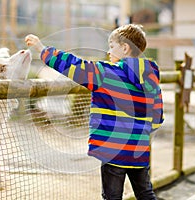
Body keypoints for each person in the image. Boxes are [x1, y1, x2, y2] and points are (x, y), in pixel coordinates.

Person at [25, 24, 164, 200]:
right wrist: (143, 137)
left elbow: (77, 66)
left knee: (112, 196)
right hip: (139, 150)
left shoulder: (107, 73)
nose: (108, 51)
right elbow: (158, 116)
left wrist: (42, 49)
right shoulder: (152, 80)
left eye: (112, 46)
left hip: (114, 150)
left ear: (125, 47)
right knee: (145, 193)